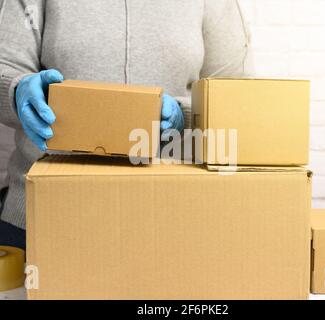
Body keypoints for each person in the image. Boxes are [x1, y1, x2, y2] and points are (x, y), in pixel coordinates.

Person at [0, 0, 249, 250]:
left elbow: (235, 99)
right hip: (42, 218)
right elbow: (5, 69)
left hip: (172, 219)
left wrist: (184, 114)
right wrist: (17, 90)